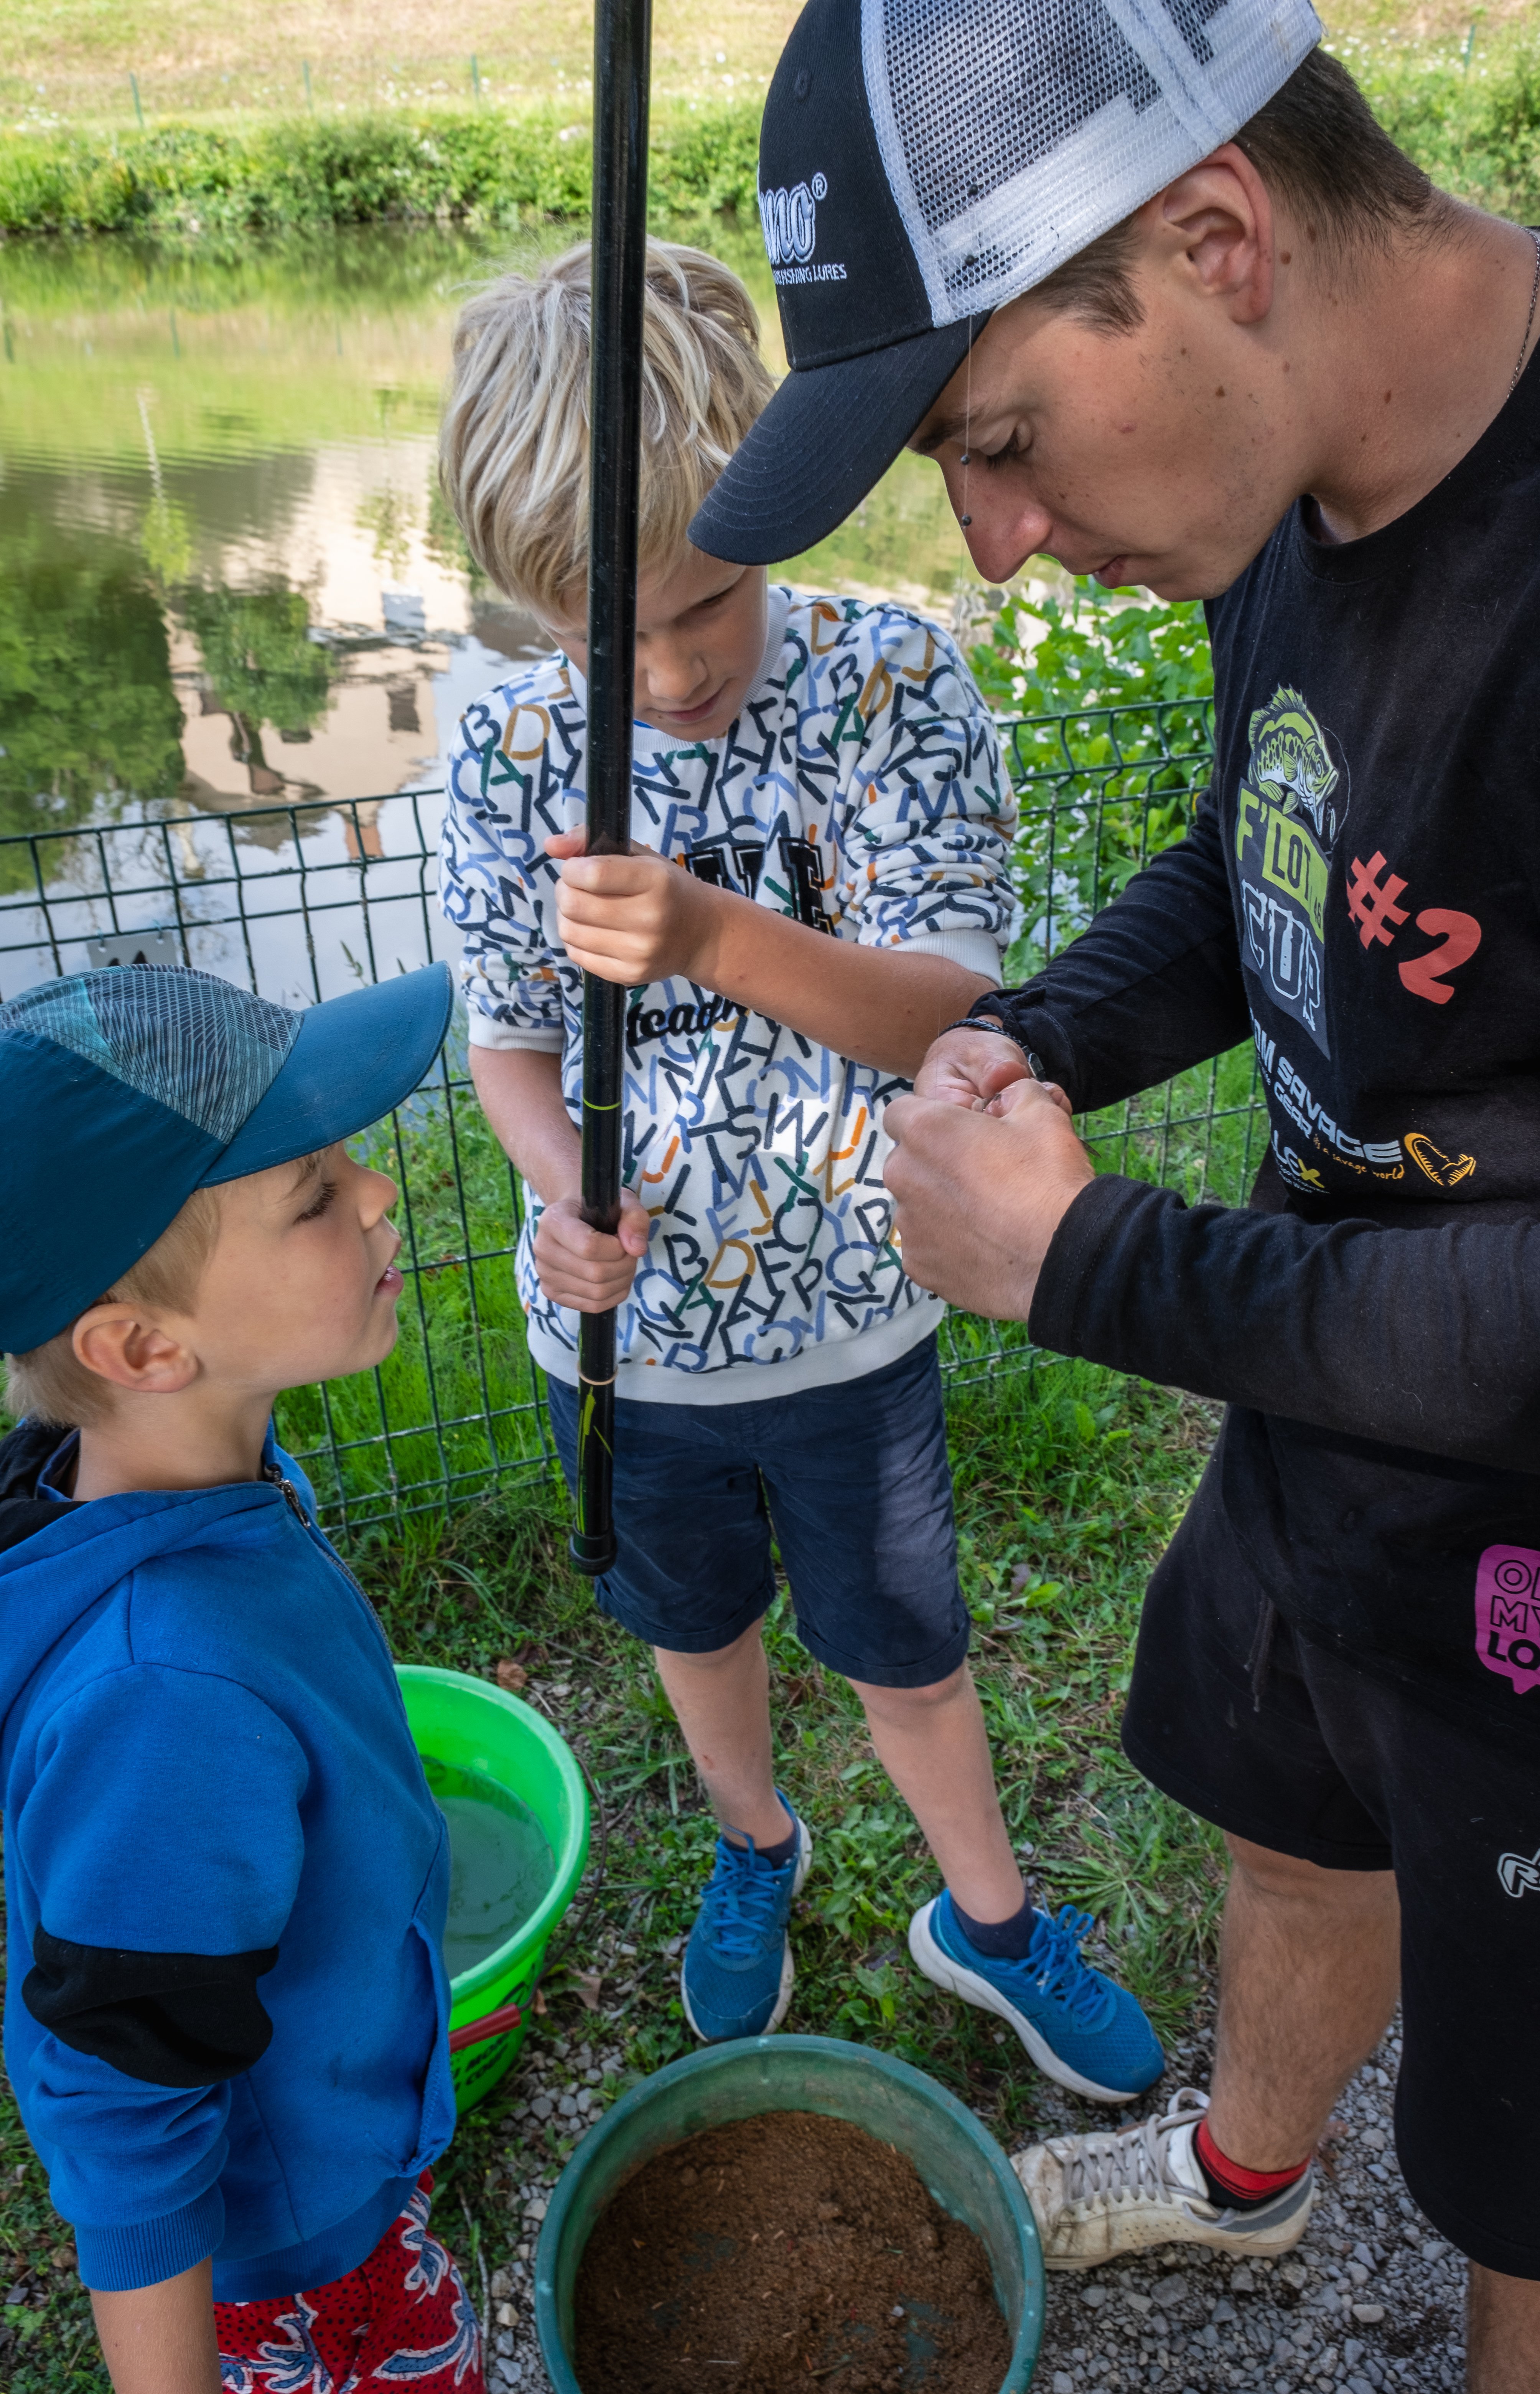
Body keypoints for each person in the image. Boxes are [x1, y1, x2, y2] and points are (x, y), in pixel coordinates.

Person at [689, 1, 1540, 2383]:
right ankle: (1247, 2182)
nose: (1000, 542)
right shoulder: (1295, 476)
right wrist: (1046, 1039)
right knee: (1289, 1805)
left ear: (1215, 240)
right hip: (1320, 1401)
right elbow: (1264, 829)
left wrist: (1088, 1259)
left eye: (995, 441)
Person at [433, 237, 1163, 2100]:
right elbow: (509, 1035)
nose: (668, 676)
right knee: (697, 1623)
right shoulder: (515, 739)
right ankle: (754, 1845)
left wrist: (707, 935)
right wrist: (551, 1190)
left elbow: (945, 1006)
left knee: (905, 1650)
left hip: (851, 1322)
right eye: (614, 637)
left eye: (708, 603)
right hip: (626, 1346)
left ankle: (985, 1917)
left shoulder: (888, 683)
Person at [0, 961, 485, 2394]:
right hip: (278, 2261)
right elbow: (121, 2094)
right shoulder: (168, 1697)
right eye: (314, 1197)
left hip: (339, 2172)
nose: (382, 1193)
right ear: (146, 1346)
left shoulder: (190, 1463)